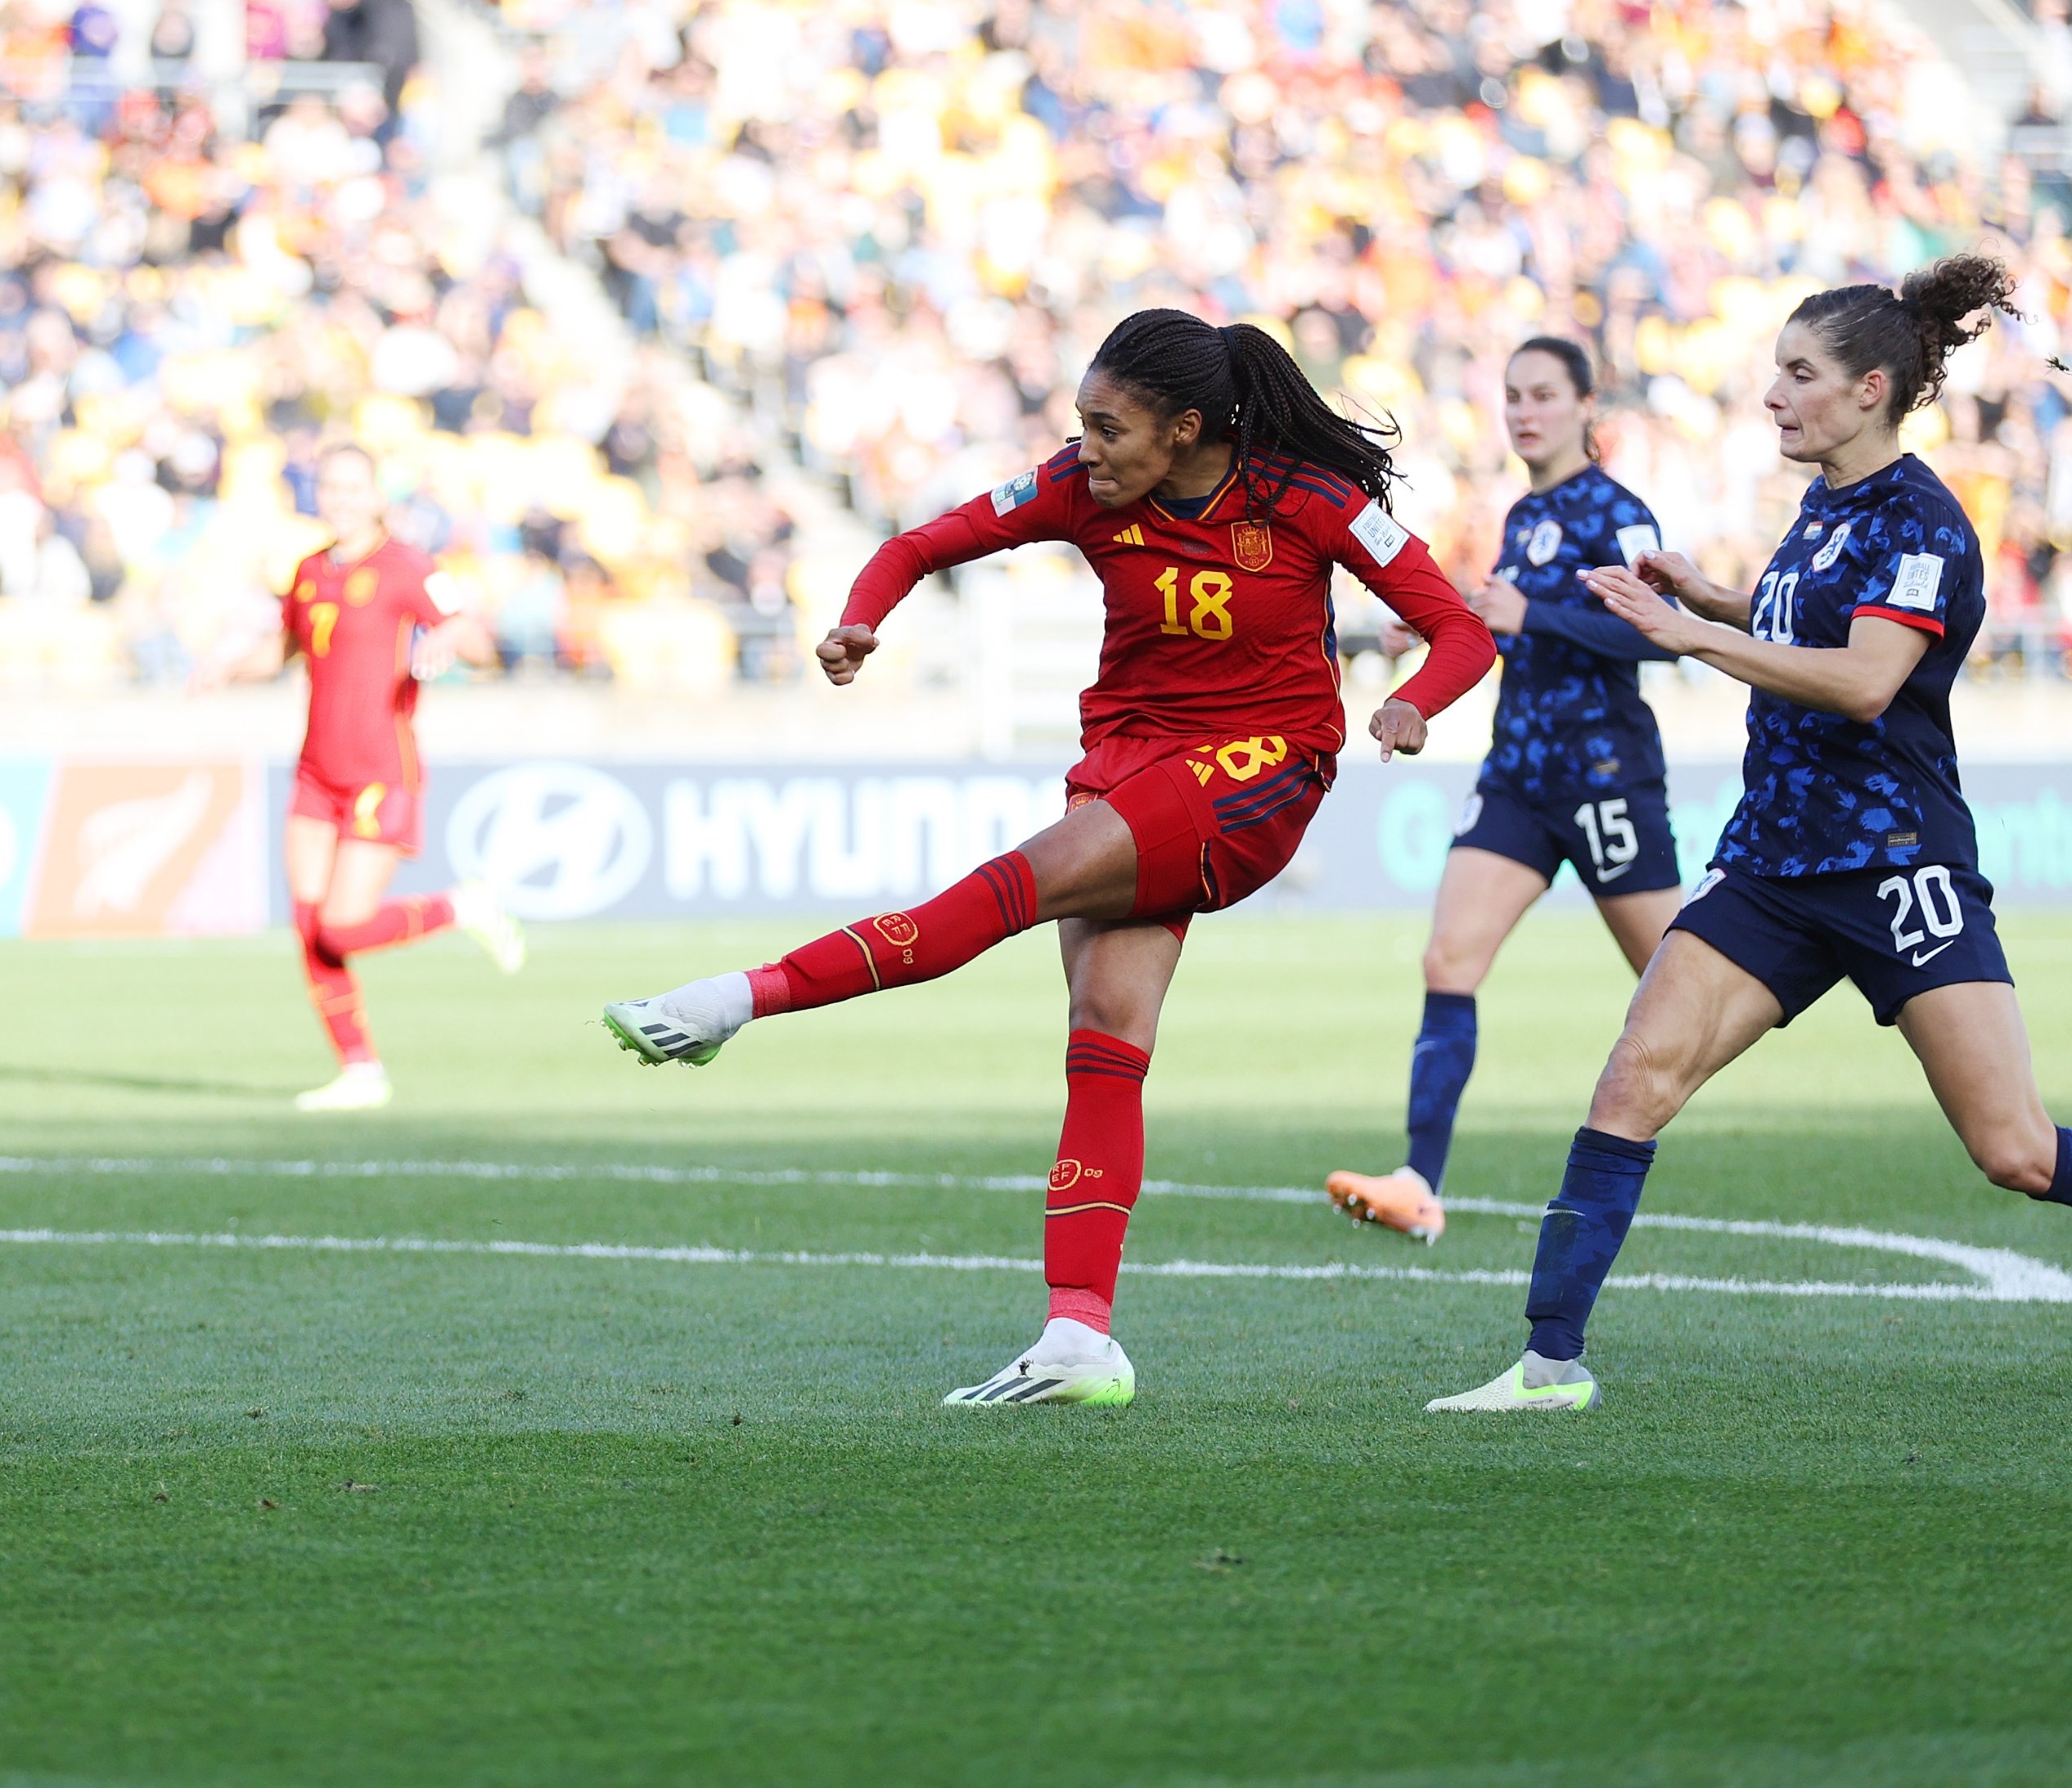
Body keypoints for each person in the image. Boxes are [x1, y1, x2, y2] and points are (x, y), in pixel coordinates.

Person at [602, 311, 1498, 1407]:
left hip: (1258, 770)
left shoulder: (1309, 500)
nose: (1086, 448)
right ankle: (1079, 1336)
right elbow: (918, 545)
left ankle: (734, 999)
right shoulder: (1080, 486)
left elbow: (1462, 629)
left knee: (1005, 892)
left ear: (1182, 430)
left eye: (1108, 428)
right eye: (1081, 422)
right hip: (1125, 764)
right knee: (1104, 1032)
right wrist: (858, 620)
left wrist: (1412, 701)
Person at [1430, 258, 2072, 1413]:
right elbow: (1799, 619)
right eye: (1776, 370)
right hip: (1771, 861)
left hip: (1896, 864)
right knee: (1632, 1078)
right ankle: (1549, 1364)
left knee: (2015, 1148)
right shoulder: (1823, 505)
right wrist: (1708, 595)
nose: (1773, 394)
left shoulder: (1922, 520)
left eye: (1799, 373)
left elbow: (1864, 680)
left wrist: (1688, 636)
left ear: (1870, 389)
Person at [1327, 339, 1683, 1244]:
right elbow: (1503, 627)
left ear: (1585, 407)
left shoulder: (1617, 512)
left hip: (1605, 779)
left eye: (1543, 395)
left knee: (1682, 985)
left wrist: (1536, 615)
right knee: (1448, 958)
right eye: (1513, 396)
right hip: (1519, 778)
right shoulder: (1523, 515)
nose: (1524, 412)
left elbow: (1664, 632)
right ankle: (1418, 1182)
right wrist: (1445, 628)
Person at [212, 442, 522, 1111]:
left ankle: (459, 907)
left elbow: (476, 639)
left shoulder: (406, 565)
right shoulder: (308, 570)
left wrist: (449, 640)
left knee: (342, 927)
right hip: (315, 771)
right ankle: (360, 1070)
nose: (342, 499)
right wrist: (225, 665)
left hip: (381, 770)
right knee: (308, 926)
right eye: (331, 486)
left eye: (354, 487)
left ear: (378, 495)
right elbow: (283, 650)